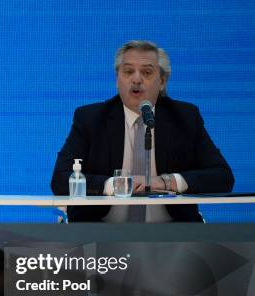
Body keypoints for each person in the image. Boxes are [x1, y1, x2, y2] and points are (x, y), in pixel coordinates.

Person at [51, 40, 234, 222]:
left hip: (173, 235)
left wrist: (167, 182)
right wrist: (112, 185)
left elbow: (222, 176)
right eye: (128, 71)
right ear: (117, 79)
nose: (136, 79)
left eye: (146, 72)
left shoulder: (184, 118)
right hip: (100, 232)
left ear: (162, 81)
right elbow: (60, 179)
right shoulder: (91, 118)